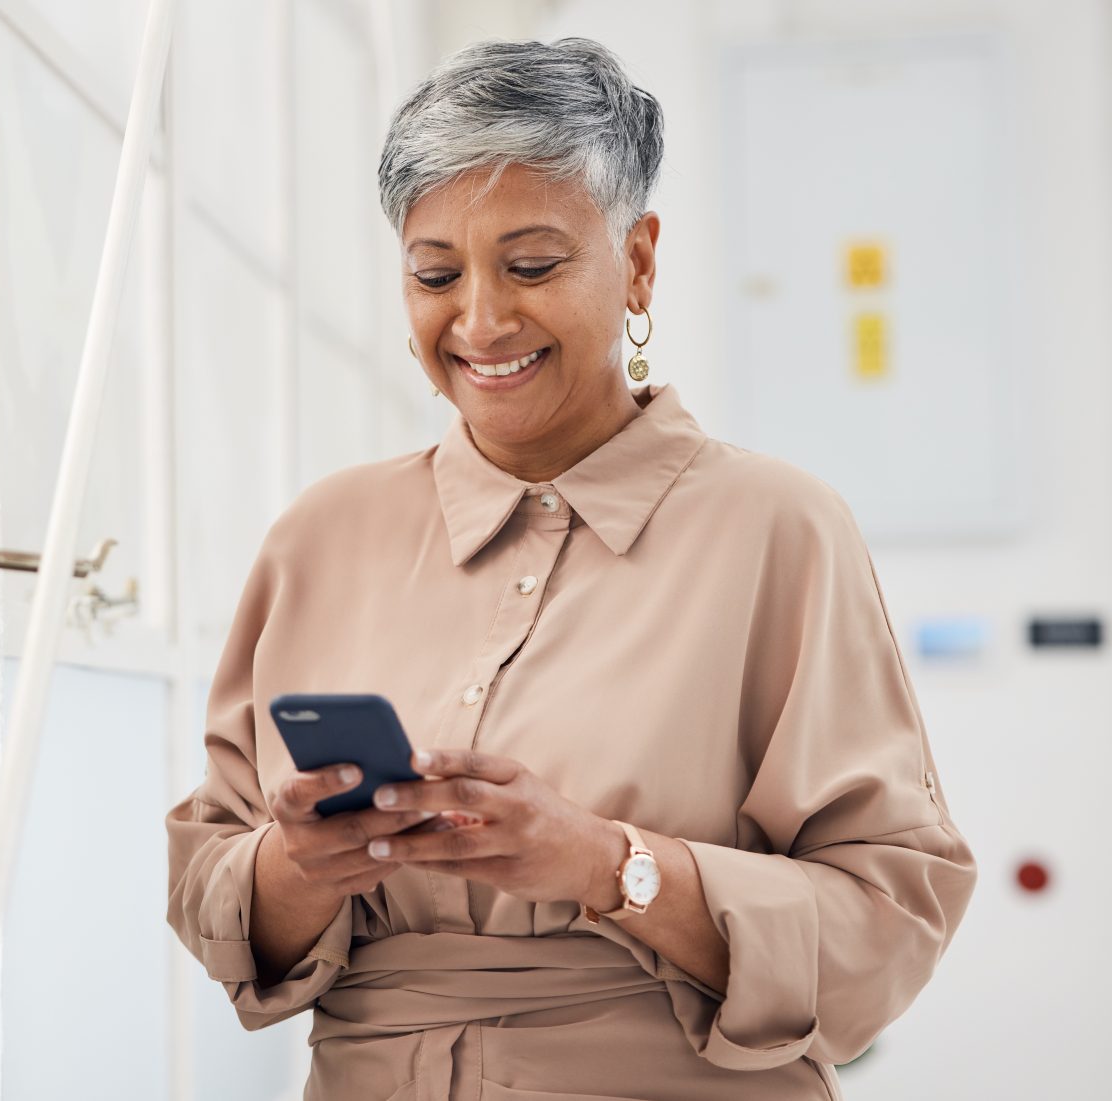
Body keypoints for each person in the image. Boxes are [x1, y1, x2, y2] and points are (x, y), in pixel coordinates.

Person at [165, 36, 976, 1101]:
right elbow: (212, 885)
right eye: (434, 274)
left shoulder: (777, 528)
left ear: (636, 260)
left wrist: (609, 867)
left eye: (533, 266)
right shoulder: (320, 536)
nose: (481, 321)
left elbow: (889, 920)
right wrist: (298, 868)